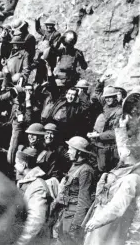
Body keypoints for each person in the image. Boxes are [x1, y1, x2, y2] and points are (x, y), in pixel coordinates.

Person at [83, 117, 140, 245]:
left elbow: (118, 206)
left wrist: (96, 221)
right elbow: (123, 146)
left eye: (122, 150)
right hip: (105, 224)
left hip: (110, 228)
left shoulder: (131, 178)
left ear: (128, 153)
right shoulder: (127, 167)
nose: (119, 151)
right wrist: (121, 127)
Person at [53, 136, 95, 245]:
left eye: (71, 149)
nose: (68, 152)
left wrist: (76, 226)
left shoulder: (86, 170)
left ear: (79, 152)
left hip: (74, 217)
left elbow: (84, 201)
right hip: (66, 214)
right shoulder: (75, 166)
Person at [16, 147, 52, 245]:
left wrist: (20, 242)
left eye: (16, 163)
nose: (15, 166)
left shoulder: (38, 186)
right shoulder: (26, 182)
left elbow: (35, 221)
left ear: (23, 165)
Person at [88, 86, 122, 172]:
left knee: (104, 169)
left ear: (115, 97)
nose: (107, 99)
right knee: (95, 167)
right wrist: (101, 82)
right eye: (106, 97)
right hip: (97, 144)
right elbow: (98, 93)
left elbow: (116, 133)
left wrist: (99, 135)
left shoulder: (119, 111)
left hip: (107, 147)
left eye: (110, 97)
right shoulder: (106, 105)